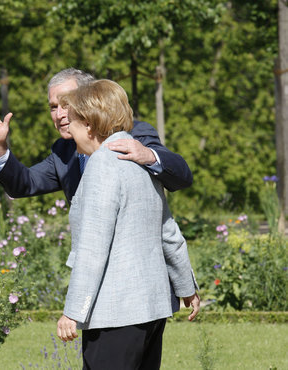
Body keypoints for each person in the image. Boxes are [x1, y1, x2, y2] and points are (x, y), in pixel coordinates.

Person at [55, 79, 198, 369]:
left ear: (90, 126)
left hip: (116, 315)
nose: (69, 130)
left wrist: (72, 312)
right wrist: (186, 287)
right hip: (152, 313)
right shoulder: (139, 159)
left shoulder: (101, 166)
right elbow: (168, 232)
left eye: (73, 123)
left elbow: (93, 250)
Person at [0, 68, 193, 205]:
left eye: (66, 104)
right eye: (53, 107)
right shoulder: (63, 152)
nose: (59, 115)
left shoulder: (134, 134)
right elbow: (23, 184)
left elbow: (182, 176)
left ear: (88, 100)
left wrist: (148, 155)